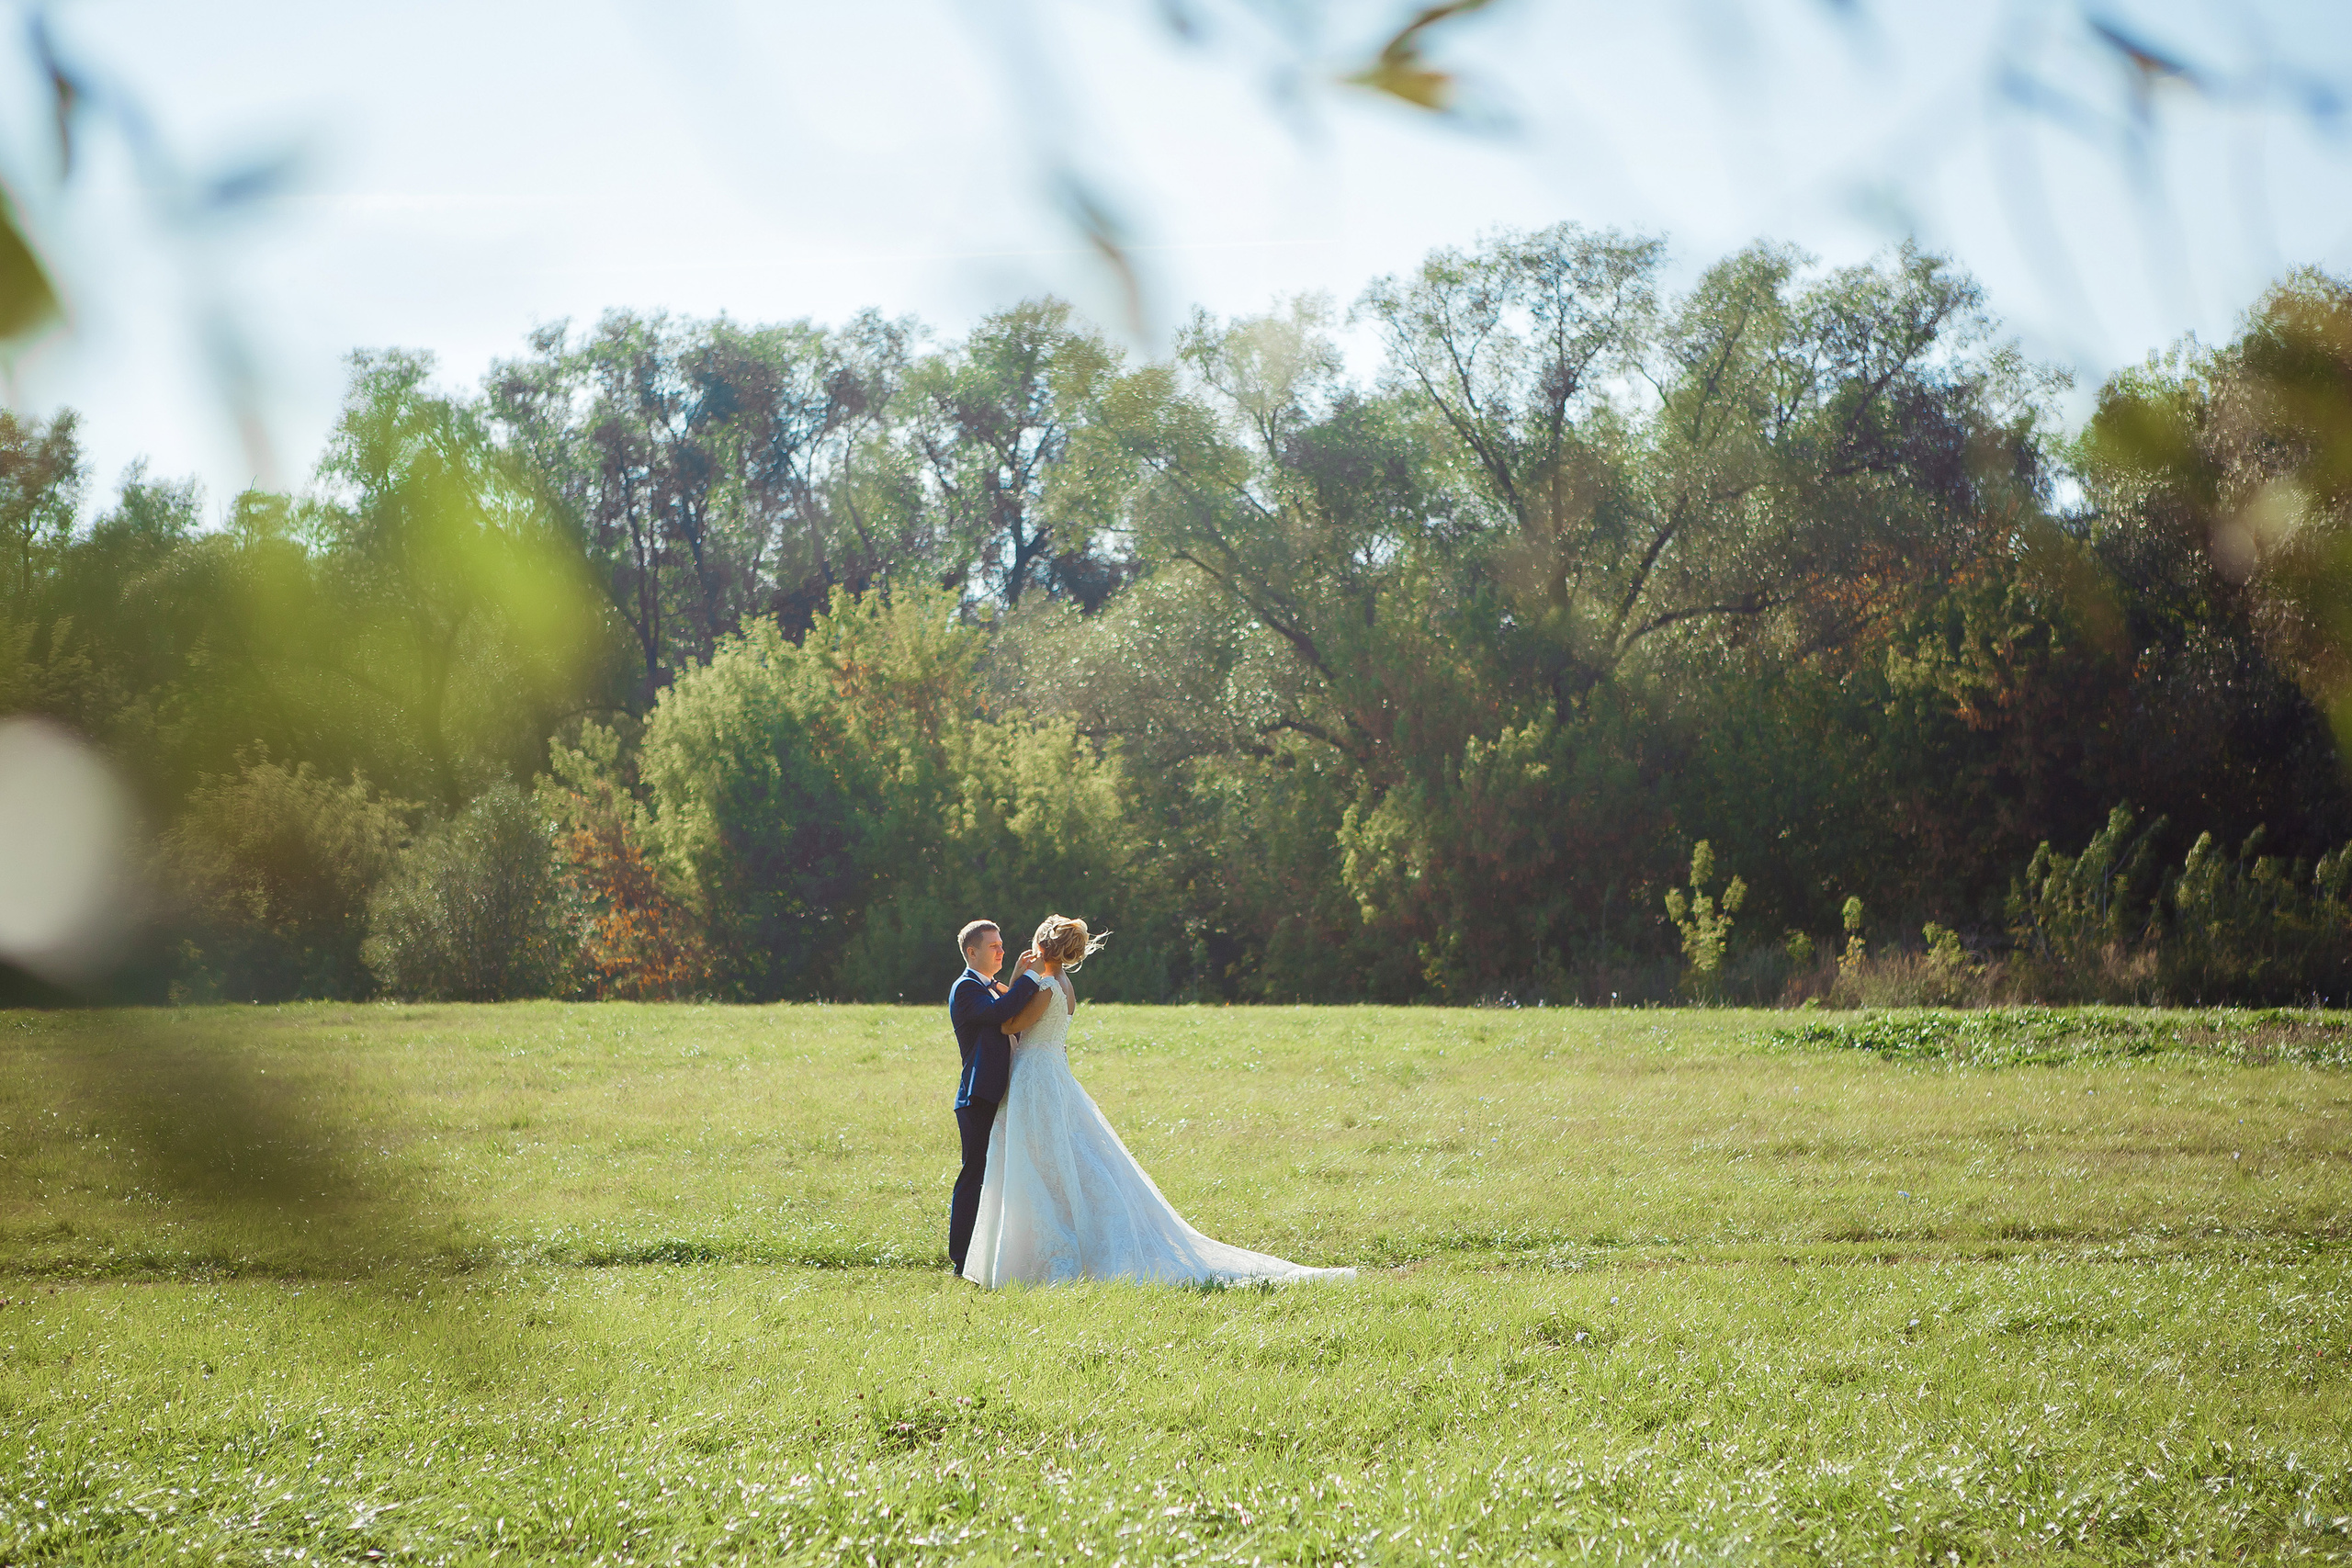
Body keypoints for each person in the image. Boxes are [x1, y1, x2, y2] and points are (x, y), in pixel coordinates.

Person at [962, 914, 1354, 1289]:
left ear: (1041, 946)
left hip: (1035, 1078)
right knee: (1061, 1159)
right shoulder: (1066, 987)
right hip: (1054, 1074)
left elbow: (1010, 1025)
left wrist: (1016, 978)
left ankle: (1048, 1249)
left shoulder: (1043, 987)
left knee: (1039, 1162)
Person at [946, 920, 1047, 1275]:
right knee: (975, 1175)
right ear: (972, 952)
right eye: (993, 946)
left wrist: (1019, 975)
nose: (1001, 950)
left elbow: (1010, 1010)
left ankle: (992, 1253)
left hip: (1002, 1093)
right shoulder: (965, 988)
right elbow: (1000, 1015)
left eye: (1002, 944)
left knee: (1000, 1175)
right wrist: (1031, 979)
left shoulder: (992, 986)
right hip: (979, 1095)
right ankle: (961, 1258)